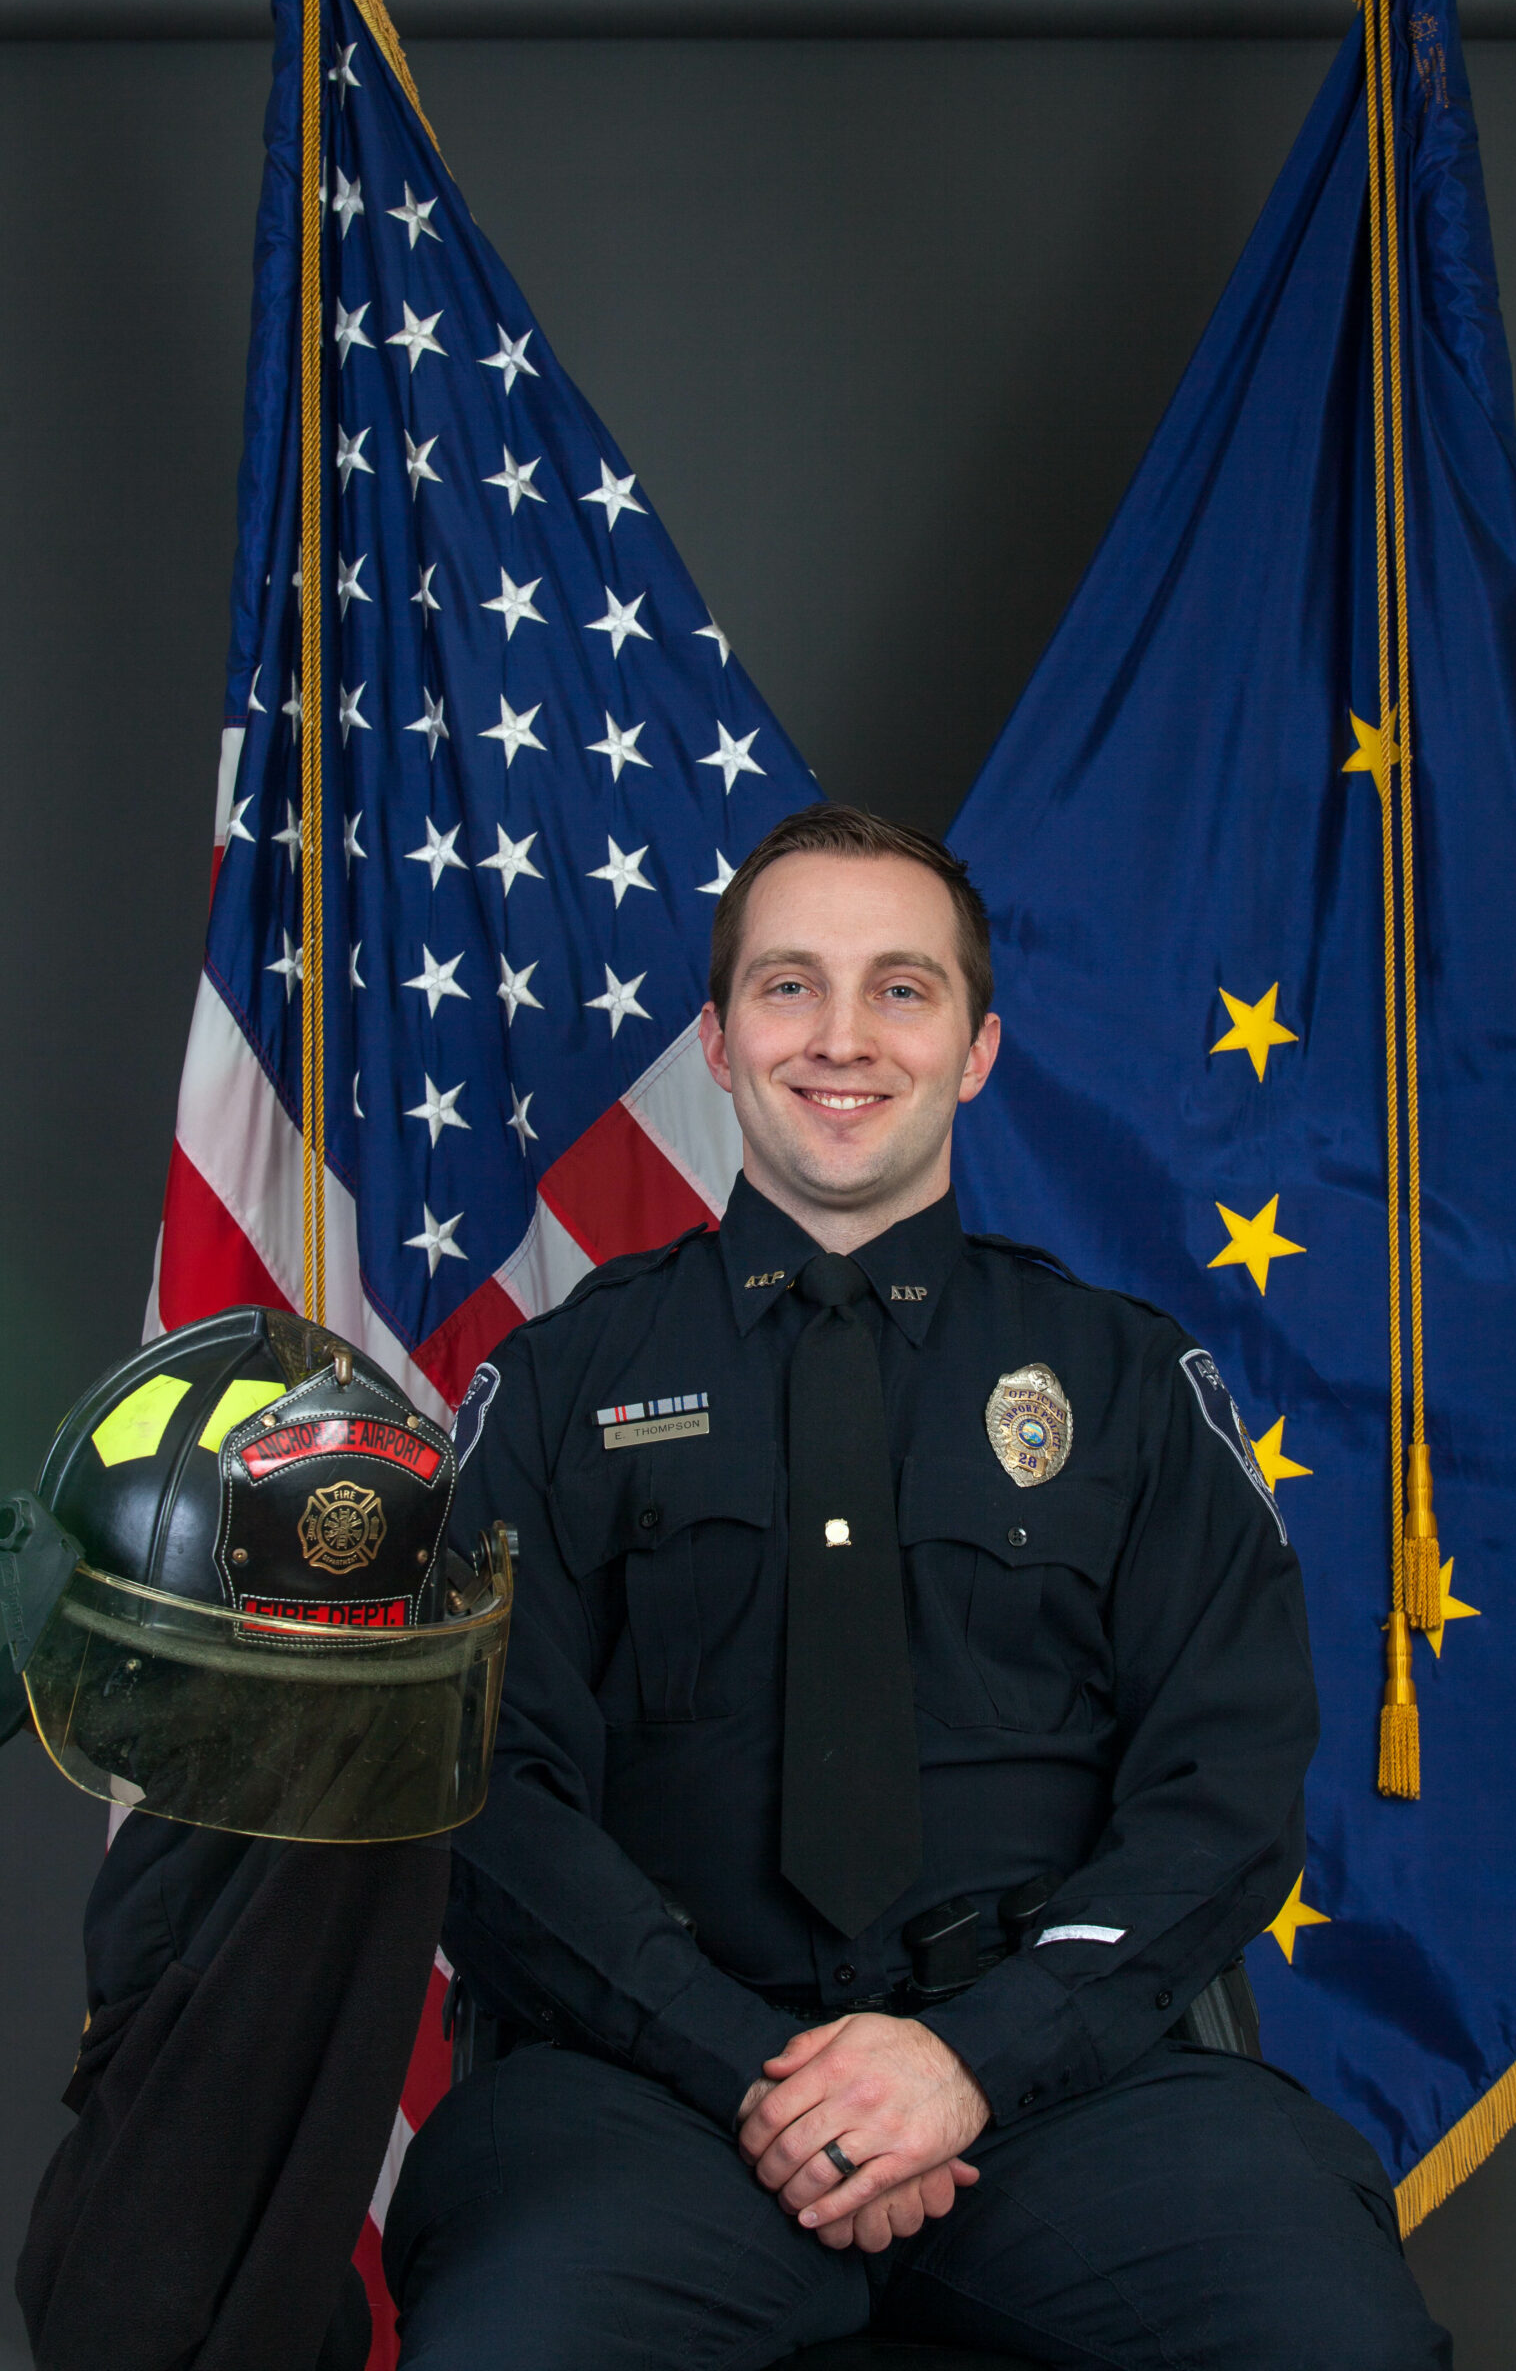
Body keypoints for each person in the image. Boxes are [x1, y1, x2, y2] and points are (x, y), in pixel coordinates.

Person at [386, 804, 1451, 2371]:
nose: (843, 1036)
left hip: (1068, 2090)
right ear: (719, 1041)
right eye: (790, 986)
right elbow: (481, 1793)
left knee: (1334, 2340)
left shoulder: (1131, 1386)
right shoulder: (556, 1390)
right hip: (653, 2095)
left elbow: (1223, 1798)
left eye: (901, 988)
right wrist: (753, 2068)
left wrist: (967, 2064)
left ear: (977, 1049)